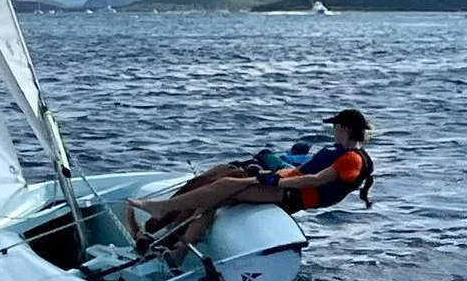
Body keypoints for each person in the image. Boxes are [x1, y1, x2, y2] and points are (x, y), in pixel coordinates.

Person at [128, 109, 375, 263]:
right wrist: (274, 172)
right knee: (218, 194)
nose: (332, 131)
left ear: (343, 129)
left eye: (334, 126)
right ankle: (179, 251)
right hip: (287, 184)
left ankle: (162, 210)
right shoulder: (341, 151)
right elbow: (305, 170)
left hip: (292, 194)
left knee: (225, 184)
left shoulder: (351, 159)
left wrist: (276, 180)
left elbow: (315, 180)